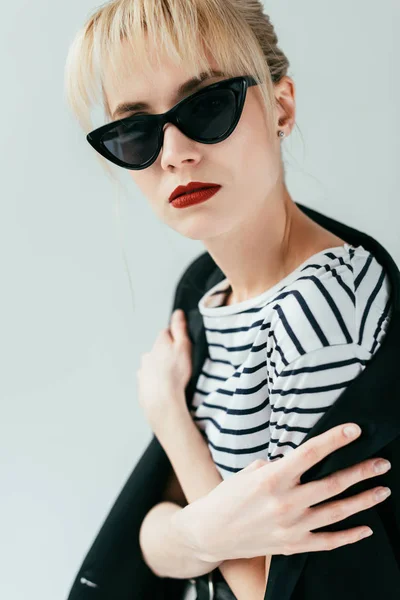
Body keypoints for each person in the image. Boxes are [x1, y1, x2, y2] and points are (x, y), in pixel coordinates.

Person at [64, 2, 398, 599]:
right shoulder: (206, 293)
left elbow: (268, 589)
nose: (175, 154)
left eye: (209, 105)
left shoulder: (321, 307)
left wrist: (170, 419)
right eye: (137, 130)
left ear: (281, 107)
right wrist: (196, 534)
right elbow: (149, 543)